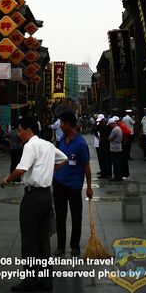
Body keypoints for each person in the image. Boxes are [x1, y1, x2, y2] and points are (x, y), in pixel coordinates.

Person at [0, 114, 67, 292]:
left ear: (28, 130)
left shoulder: (30, 145)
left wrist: (6, 179)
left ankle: (30, 280)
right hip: (46, 196)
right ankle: (45, 280)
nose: (18, 134)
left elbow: (20, 169)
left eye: (20, 130)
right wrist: (48, 170)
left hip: (33, 197)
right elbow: (64, 159)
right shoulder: (48, 145)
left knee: (29, 239)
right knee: (43, 239)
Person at [53, 110, 93, 257]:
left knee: (76, 216)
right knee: (60, 216)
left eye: (62, 123)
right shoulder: (61, 140)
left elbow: (86, 166)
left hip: (74, 185)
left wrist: (89, 187)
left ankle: (75, 246)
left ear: (68, 124)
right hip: (59, 182)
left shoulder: (81, 143)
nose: (60, 126)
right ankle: (60, 246)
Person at [96, 114, 111, 179]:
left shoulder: (108, 125)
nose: (99, 122)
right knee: (102, 159)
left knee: (107, 159)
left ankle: (108, 173)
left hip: (107, 143)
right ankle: (103, 172)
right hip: (102, 142)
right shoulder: (99, 125)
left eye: (100, 121)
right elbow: (95, 131)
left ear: (103, 119)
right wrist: (98, 136)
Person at [108, 116, 123, 181]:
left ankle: (116, 177)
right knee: (118, 163)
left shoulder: (114, 130)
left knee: (115, 164)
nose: (109, 126)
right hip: (118, 148)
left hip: (114, 149)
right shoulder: (119, 128)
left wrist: (109, 138)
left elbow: (110, 138)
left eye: (109, 124)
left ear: (112, 123)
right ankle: (119, 176)